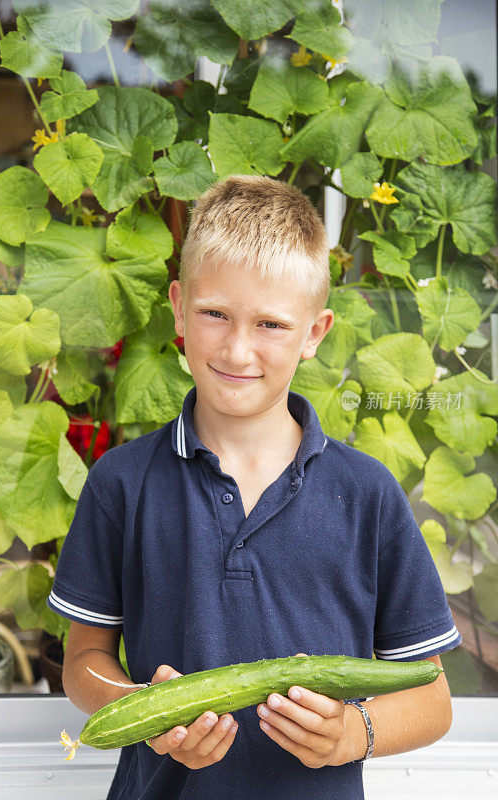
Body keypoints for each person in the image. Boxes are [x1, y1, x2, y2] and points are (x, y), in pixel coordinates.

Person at [47, 173, 462, 800]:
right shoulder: (122, 483)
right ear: (180, 306)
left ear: (315, 333)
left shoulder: (368, 494)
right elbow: (83, 664)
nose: (238, 349)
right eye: (216, 313)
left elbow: (431, 695)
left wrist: (357, 734)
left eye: (270, 324)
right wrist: (144, 710)